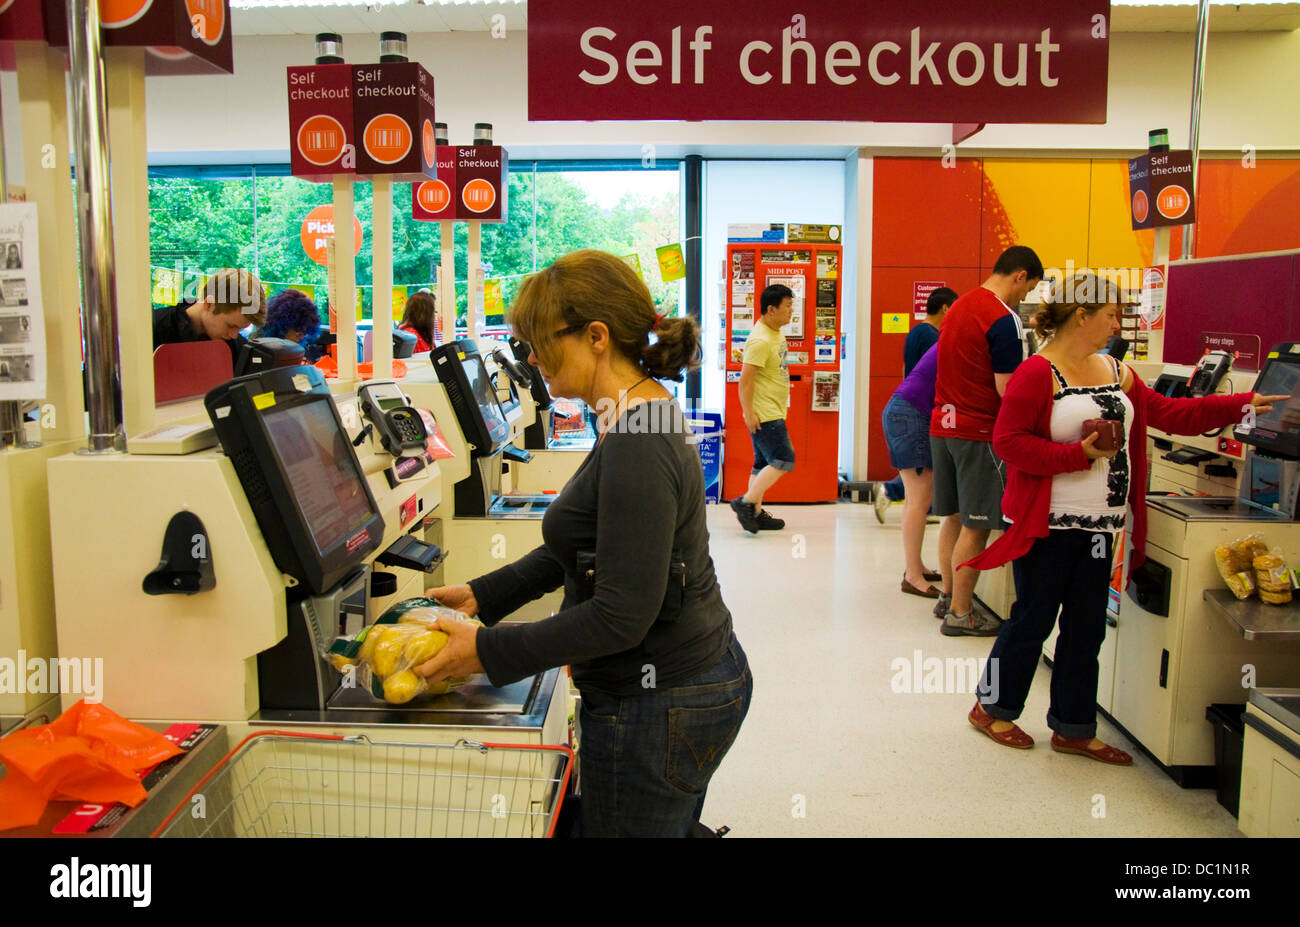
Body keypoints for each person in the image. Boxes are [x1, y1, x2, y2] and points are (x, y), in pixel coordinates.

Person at [412, 249, 752, 837]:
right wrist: (483, 593)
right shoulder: (632, 412)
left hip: (662, 697)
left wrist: (486, 651)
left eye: (544, 340)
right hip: (686, 677)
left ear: (597, 336)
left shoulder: (636, 440)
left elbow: (620, 617)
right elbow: (595, 538)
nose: (533, 358)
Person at [962, 272, 1284, 763]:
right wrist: (1078, 455)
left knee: (1086, 628)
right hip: (1047, 523)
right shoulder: (1037, 373)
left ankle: (1073, 726)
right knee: (1032, 619)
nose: (1119, 321)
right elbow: (1008, 444)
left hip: (1101, 526)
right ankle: (992, 709)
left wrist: (1242, 403)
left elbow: (1171, 414)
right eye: (1112, 313)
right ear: (1081, 315)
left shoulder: (1116, 370)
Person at [931, 245, 1043, 636]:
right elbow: (1008, 390)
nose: (1025, 298)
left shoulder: (959, 307)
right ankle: (962, 614)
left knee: (954, 518)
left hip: (942, 427)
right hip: (977, 432)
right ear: (1019, 276)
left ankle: (948, 597)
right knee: (976, 526)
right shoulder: (1003, 318)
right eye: (1028, 289)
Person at [876, 287, 957, 522]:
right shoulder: (932, 335)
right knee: (925, 464)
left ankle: (917, 503)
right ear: (945, 308)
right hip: (921, 407)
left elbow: (906, 369)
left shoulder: (916, 332)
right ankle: (894, 492)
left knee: (921, 465)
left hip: (911, 401)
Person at [731, 284, 795, 534]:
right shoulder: (760, 339)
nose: (791, 312)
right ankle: (746, 502)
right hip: (764, 412)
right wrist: (748, 412)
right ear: (771, 309)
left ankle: (755, 513)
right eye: (788, 306)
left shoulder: (774, 332)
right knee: (784, 459)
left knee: (761, 463)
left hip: (772, 408)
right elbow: (745, 379)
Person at [883, 342, 943, 597]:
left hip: (906, 412)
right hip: (912, 415)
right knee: (920, 498)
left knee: (915, 497)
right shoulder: (958, 344)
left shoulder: (947, 341)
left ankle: (915, 567)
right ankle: (912, 575)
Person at [152, 268, 266, 366]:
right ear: (209, 304)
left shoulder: (239, 349)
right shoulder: (152, 331)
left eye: (240, 329)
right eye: (230, 326)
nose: (234, 335)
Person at [261, 288, 325, 362]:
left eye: (305, 331)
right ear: (282, 325)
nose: (301, 336)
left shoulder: (296, 346)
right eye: (298, 329)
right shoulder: (260, 349)